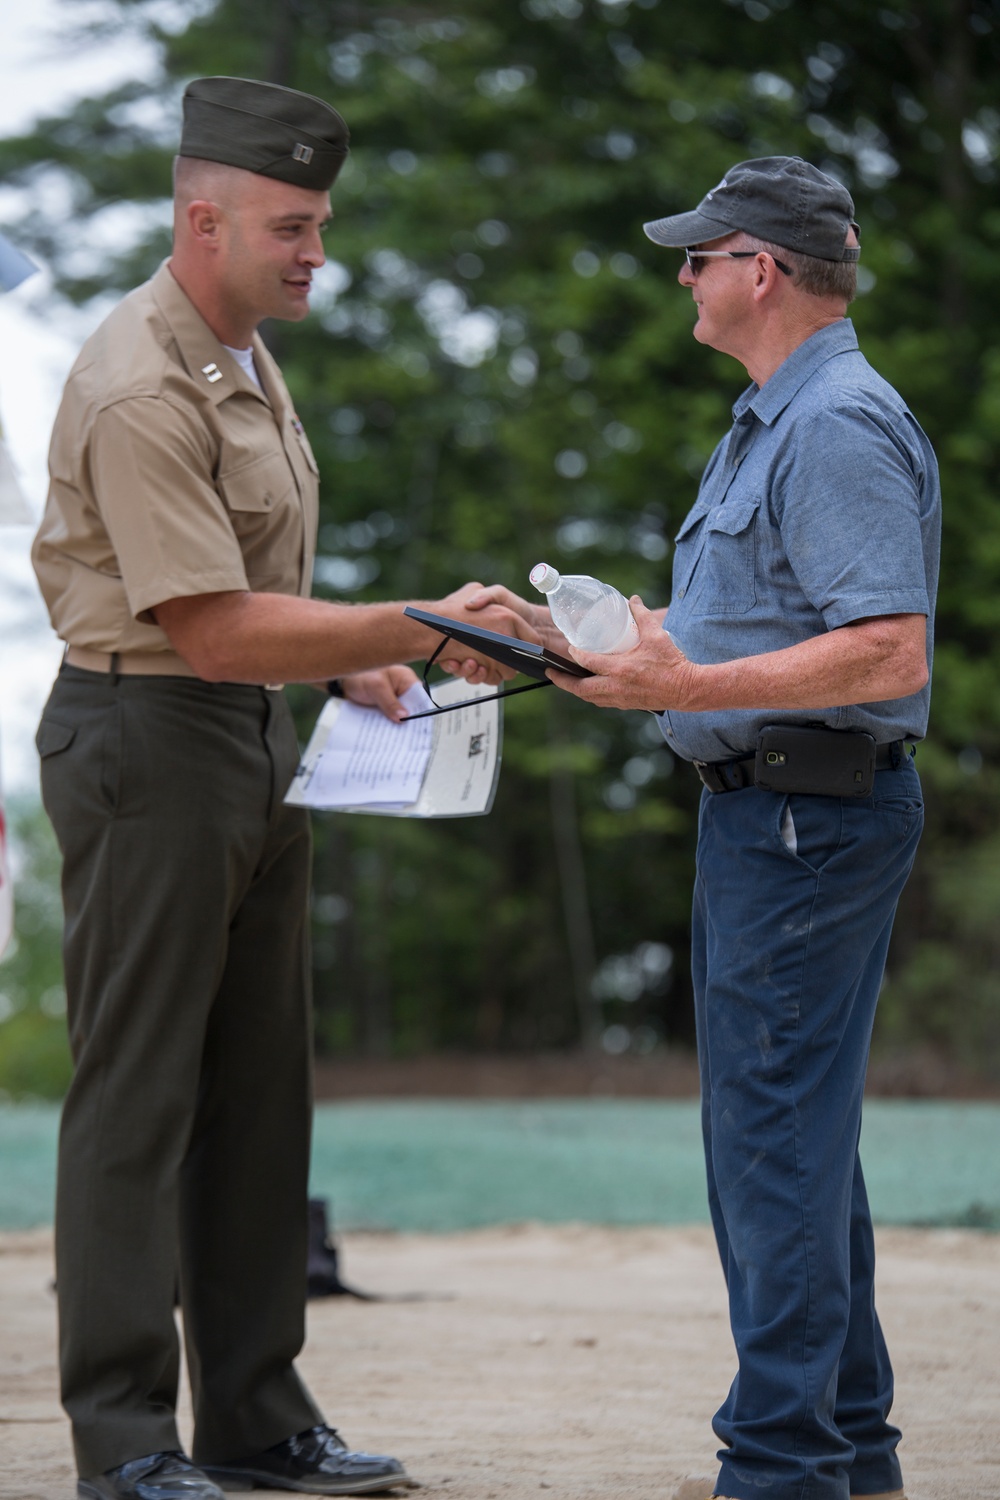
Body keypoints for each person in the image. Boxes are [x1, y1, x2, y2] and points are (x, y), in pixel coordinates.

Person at [31, 76, 535, 1500]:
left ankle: (253, 1419)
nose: (319, 250)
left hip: (248, 735)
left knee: (260, 1096)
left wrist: (339, 670)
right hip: (150, 743)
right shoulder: (139, 379)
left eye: (322, 223)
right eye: (293, 226)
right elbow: (203, 624)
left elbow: (247, 596)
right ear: (205, 218)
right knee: (139, 1100)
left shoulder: (239, 349)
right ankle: (123, 1446)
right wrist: (416, 631)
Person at [470, 157, 940, 1500]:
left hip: (804, 811)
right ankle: (846, 1454)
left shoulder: (835, 422)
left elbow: (886, 651)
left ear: (764, 270)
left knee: (773, 1143)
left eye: (699, 254)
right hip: (783, 812)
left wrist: (682, 683)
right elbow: (755, 634)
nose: (681, 276)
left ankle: (784, 1468)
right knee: (797, 1136)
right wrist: (577, 640)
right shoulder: (778, 420)